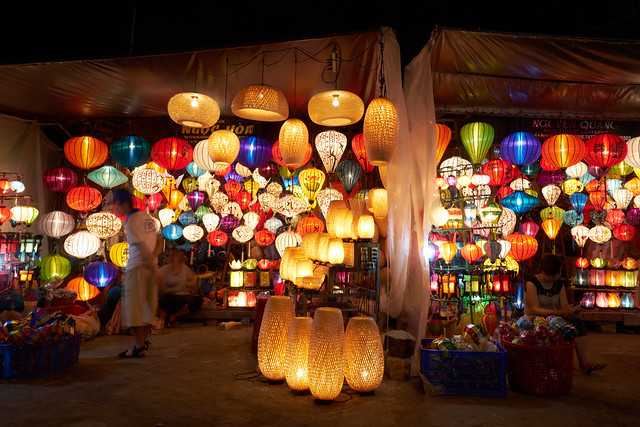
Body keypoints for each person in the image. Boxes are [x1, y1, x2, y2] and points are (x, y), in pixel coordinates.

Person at [525, 254, 606, 374]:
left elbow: (564, 306)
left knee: (577, 322)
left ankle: (584, 363)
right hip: (536, 318)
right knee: (558, 325)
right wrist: (560, 312)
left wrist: (571, 310)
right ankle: (562, 363)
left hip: (556, 317)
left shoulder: (559, 284)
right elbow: (534, 309)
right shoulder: (532, 283)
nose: (557, 276)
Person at [111, 189, 161, 358]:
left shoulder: (131, 222)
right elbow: (159, 241)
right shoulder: (148, 218)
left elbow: (141, 247)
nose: (113, 208)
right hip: (149, 266)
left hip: (138, 268)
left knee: (134, 309)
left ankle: (138, 346)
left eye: (114, 204)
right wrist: (154, 264)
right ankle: (143, 342)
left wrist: (153, 267)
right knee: (147, 307)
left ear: (123, 204)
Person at [158, 249, 202, 327]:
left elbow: (194, 282)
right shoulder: (164, 270)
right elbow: (159, 285)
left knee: (197, 300)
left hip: (183, 296)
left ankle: (174, 316)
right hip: (169, 296)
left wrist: (189, 287)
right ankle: (163, 320)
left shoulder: (185, 269)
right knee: (163, 300)